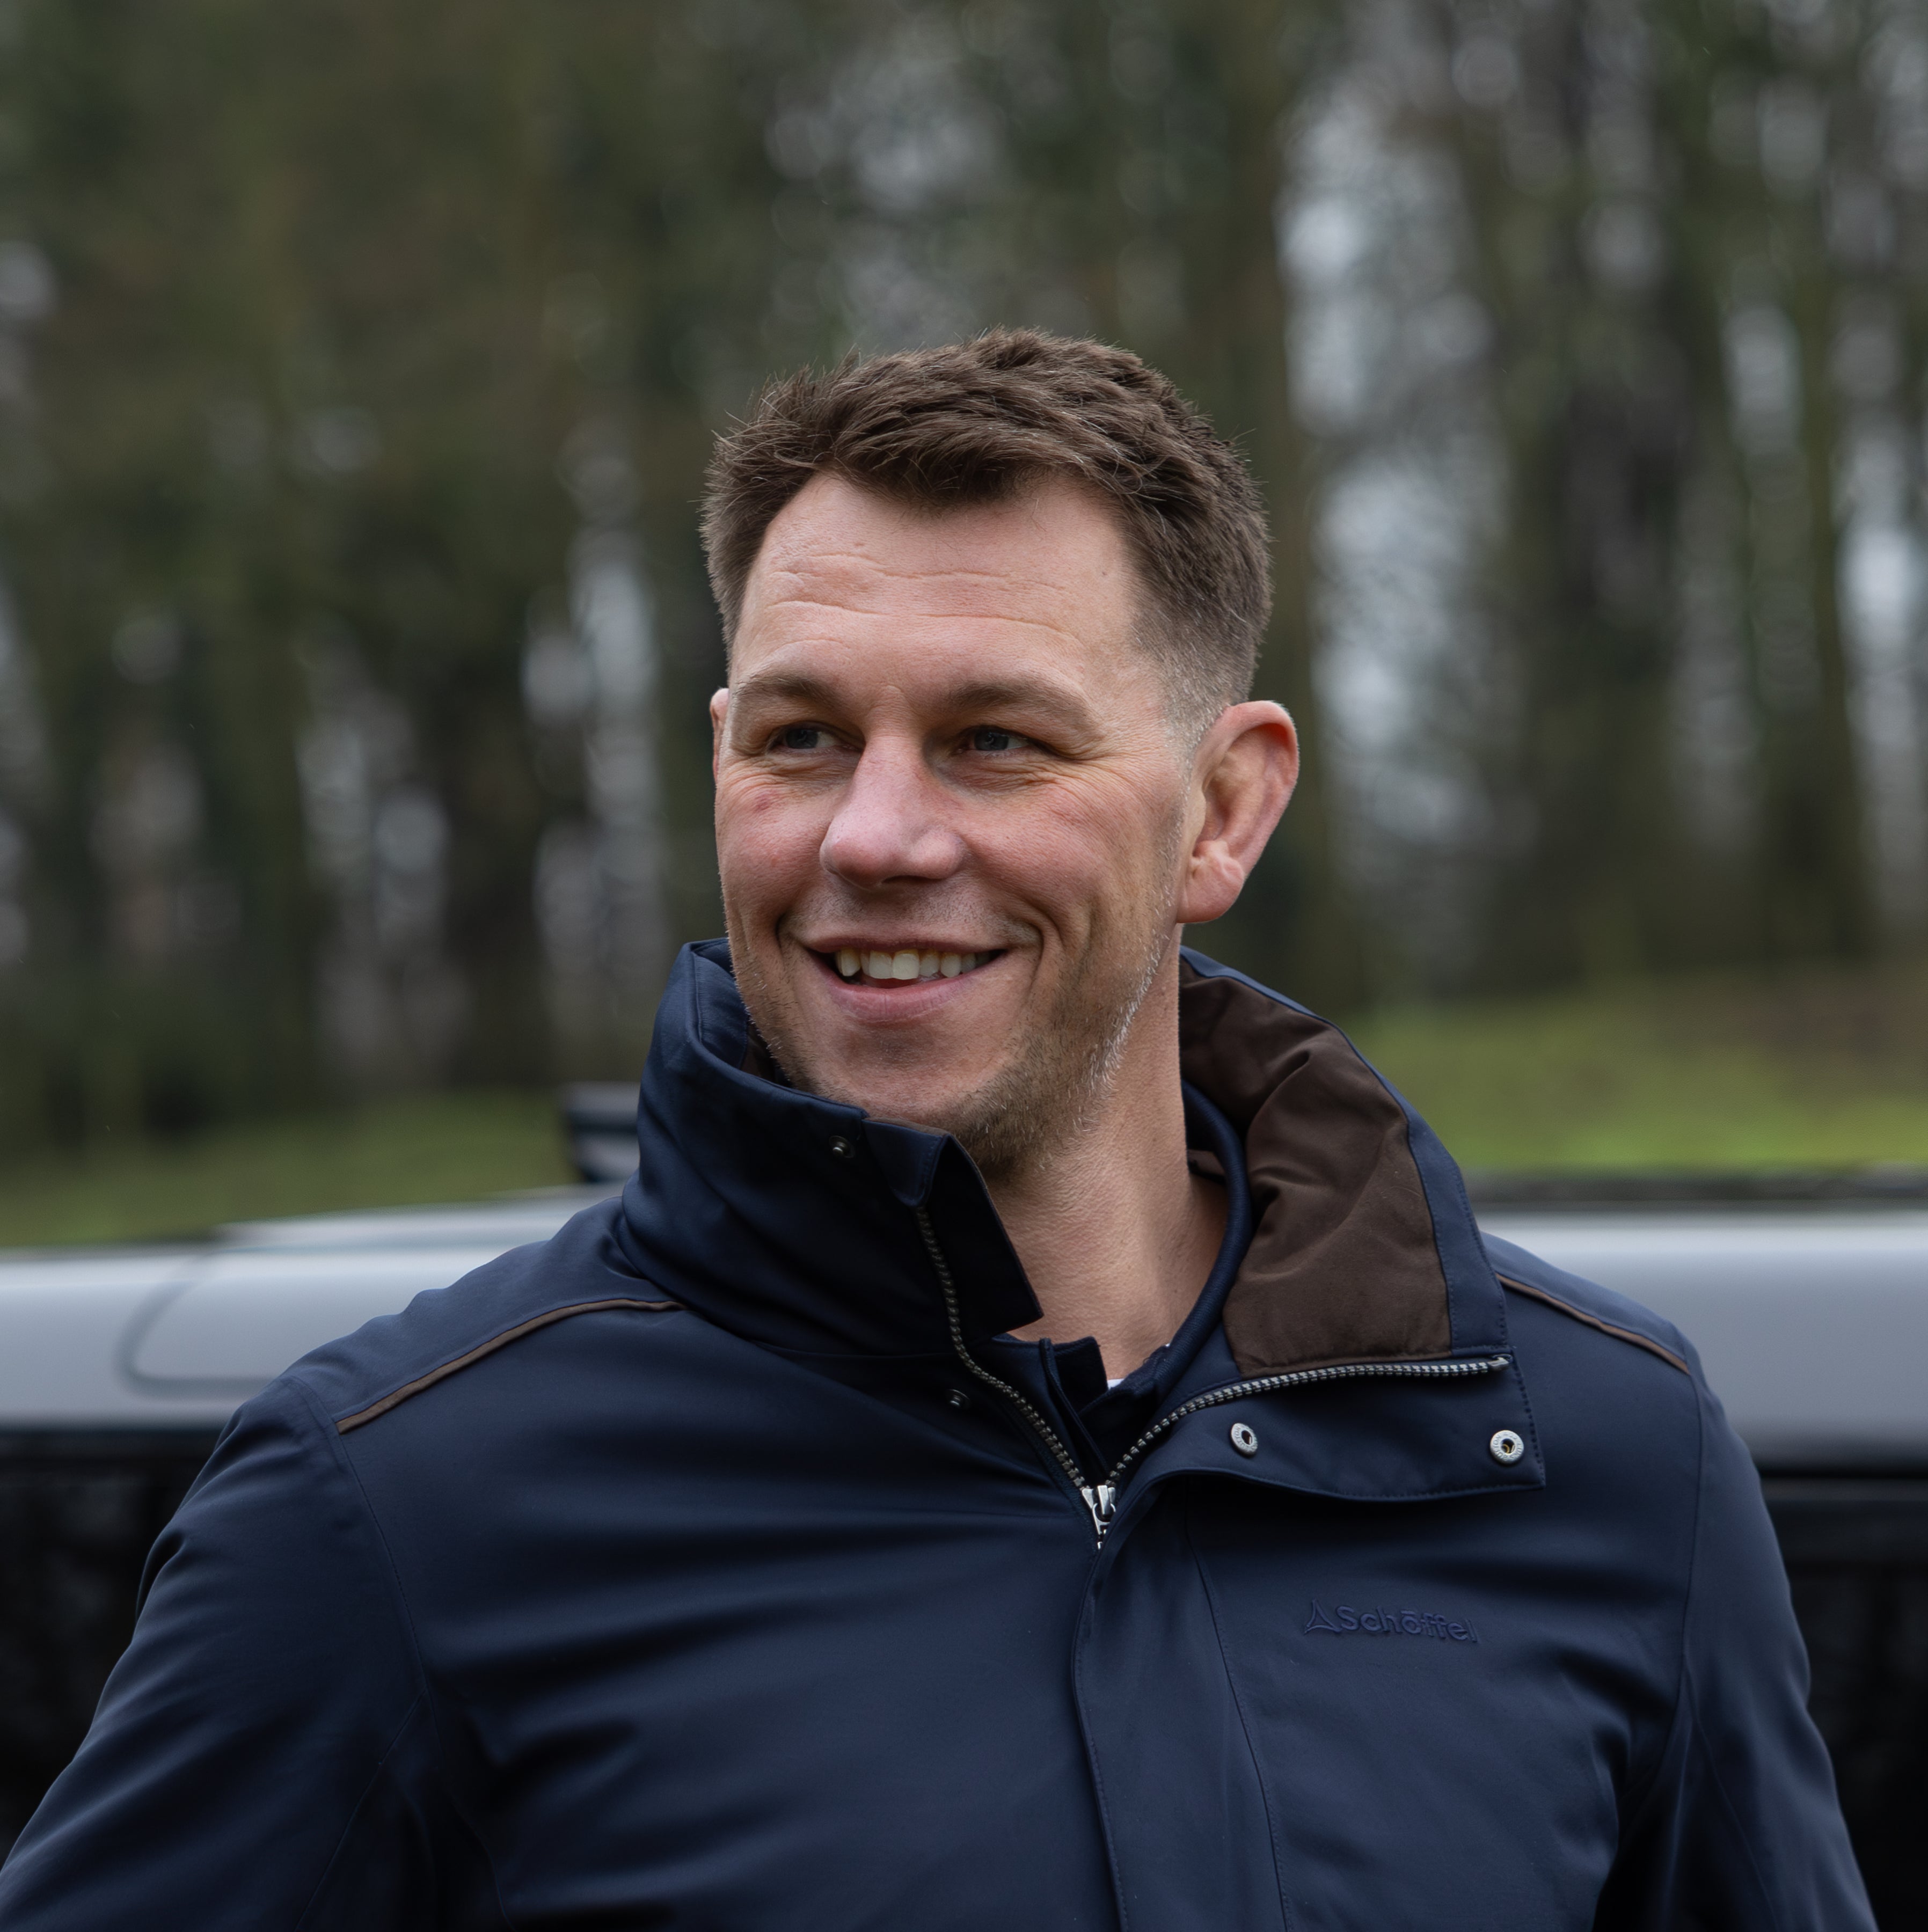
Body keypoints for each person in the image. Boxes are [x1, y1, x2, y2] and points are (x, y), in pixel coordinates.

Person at [0, 331, 1871, 1930]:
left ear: (1225, 808)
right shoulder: (393, 1505)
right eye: (804, 740)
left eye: (997, 741)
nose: (874, 837)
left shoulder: (1607, 1461)